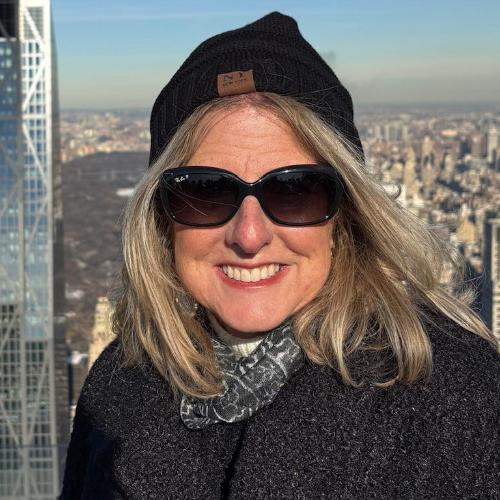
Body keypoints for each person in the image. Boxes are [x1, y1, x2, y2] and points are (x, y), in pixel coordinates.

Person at [59, 11, 499, 500]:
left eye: (295, 191)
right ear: (161, 219)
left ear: (345, 216)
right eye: (206, 191)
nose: (250, 235)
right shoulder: (115, 388)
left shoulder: (460, 398)